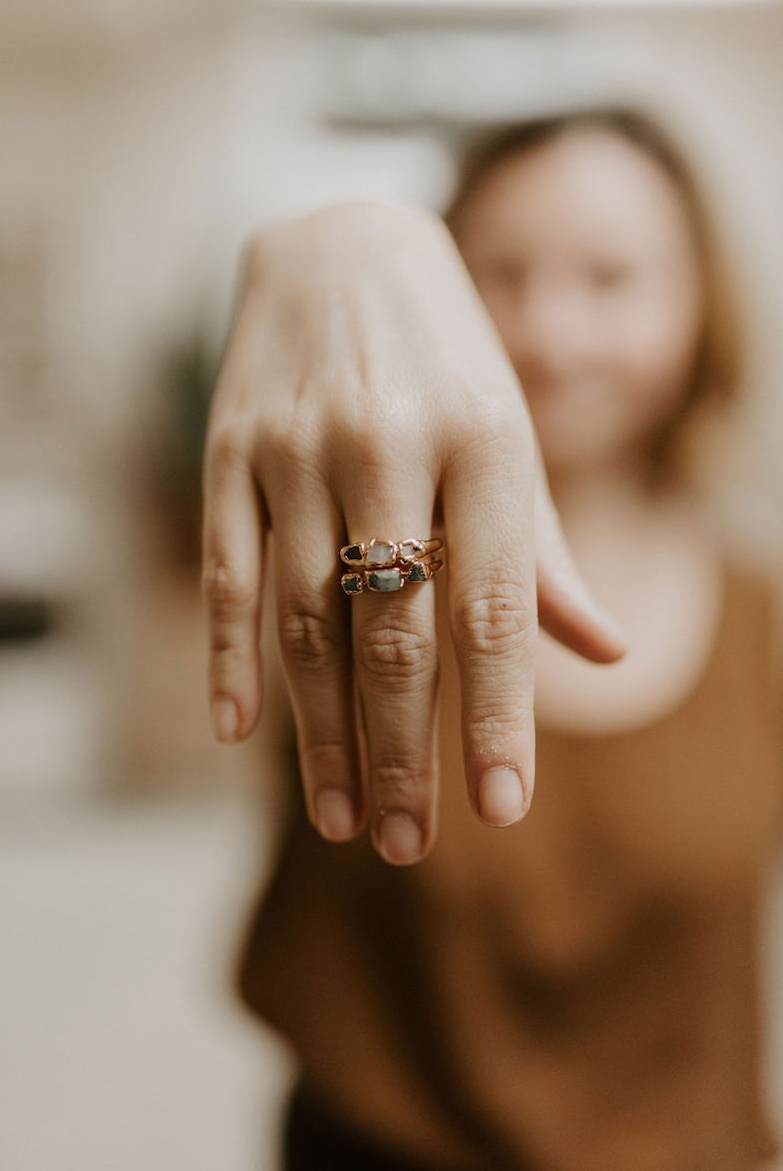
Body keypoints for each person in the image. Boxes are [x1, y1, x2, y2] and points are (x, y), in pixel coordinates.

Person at [202, 107, 783, 1170]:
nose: (551, 335)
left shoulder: (765, 619)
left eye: (608, 279)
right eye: (495, 276)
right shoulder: (338, 560)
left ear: (701, 305)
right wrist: (339, 245)